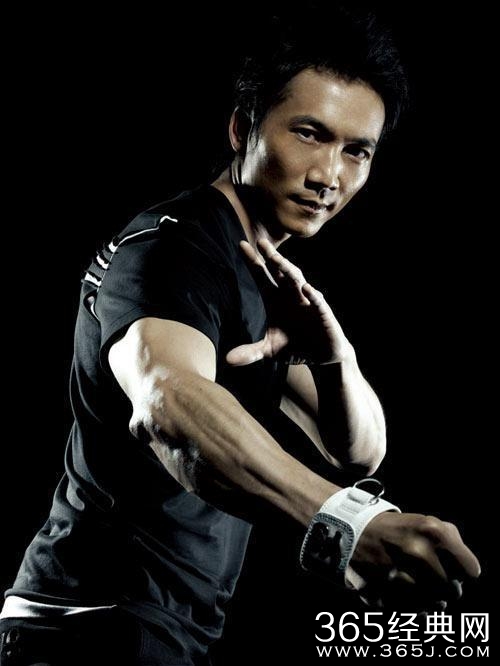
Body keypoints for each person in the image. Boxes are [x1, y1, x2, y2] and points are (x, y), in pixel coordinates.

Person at [0, 3, 480, 665]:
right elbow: (169, 404)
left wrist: (333, 357)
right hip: (95, 619)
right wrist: (348, 523)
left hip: (163, 624)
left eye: (356, 151)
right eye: (309, 134)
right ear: (242, 127)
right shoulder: (175, 251)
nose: (329, 175)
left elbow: (360, 453)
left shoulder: (255, 273)